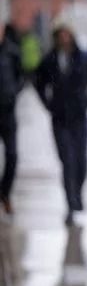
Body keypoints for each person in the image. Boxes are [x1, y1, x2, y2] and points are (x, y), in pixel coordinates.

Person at [35, 20, 87, 225]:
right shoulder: (49, 60)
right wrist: (48, 104)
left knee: (81, 162)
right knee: (68, 161)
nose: (64, 39)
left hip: (80, 117)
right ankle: (71, 204)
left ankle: (78, 195)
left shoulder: (84, 58)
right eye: (60, 35)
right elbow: (39, 83)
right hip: (60, 118)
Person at [0, 22, 24, 215]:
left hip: (7, 113)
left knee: (12, 156)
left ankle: (5, 193)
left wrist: (13, 92)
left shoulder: (12, 52)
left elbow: (21, 76)